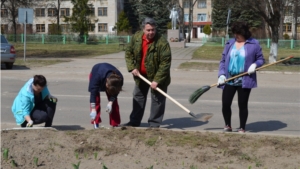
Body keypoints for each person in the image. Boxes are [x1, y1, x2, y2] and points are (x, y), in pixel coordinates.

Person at [217, 21, 265, 133]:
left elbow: (261, 59)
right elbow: (223, 61)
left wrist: (255, 65)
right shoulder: (230, 44)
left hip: (244, 80)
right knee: (225, 103)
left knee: (242, 105)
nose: (236, 36)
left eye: (238, 34)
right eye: (234, 34)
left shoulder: (254, 44)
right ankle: (227, 125)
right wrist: (221, 74)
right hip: (229, 79)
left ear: (244, 33)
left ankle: (242, 127)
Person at [124, 17, 172, 128]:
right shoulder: (136, 37)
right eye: (148, 30)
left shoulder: (162, 43)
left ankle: (154, 124)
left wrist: (157, 80)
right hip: (141, 75)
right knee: (138, 97)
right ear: (143, 29)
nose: (151, 32)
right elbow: (129, 52)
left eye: (153, 30)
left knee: (157, 99)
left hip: (158, 76)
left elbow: (165, 64)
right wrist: (132, 67)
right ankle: (134, 122)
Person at [88, 63, 123, 129]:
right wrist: (93, 109)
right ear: (106, 81)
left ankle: (115, 124)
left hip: (110, 80)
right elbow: (93, 93)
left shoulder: (119, 79)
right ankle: (96, 123)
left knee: (114, 103)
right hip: (96, 73)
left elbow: (116, 92)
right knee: (96, 100)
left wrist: (111, 102)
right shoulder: (97, 77)